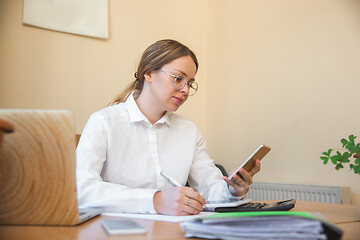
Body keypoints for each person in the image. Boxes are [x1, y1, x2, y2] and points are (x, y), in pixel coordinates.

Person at [76, 39, 261, 216]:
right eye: (178, 78)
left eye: (189, 83)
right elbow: (82, 190)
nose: (186, 90)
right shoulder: (104, 122)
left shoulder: (189, 131)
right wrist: (154, 200)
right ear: (148, 74)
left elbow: (210, 187)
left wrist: (232, 190)